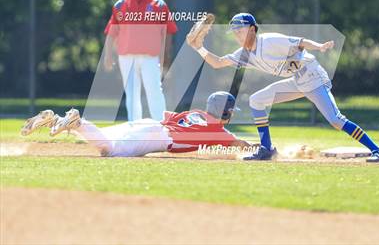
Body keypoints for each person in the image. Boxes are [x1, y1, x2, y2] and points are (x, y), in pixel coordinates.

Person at [191, 13, 379, 163]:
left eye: (240, 30)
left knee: (336, 120)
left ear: (252, 29)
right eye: (234, 32)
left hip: (311, 76)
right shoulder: (243, 53)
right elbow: (217, 62)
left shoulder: (269, 41)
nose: (237, 35)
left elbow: (300, 42)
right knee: (256, 100)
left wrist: (320, 46)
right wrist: (198, 47)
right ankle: (266, 148)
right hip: (296, 80)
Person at [20, 92, 253, 157]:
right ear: (226, 112)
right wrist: (260, 148)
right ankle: (76, 121)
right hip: (157, 137)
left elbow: (167, 117)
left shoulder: (196, 113)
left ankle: (60, 120)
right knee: (109, 150)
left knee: (103, 138)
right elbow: (240, 144)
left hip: (150, 124)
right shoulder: (217, 131)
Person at [103, 0, 178, 121]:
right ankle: (134, 128)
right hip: (126, 57)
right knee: (132, 94)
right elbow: (111, 33)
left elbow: (168, 32)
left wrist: (166, 55)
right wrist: (108, 55)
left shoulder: (159, 5)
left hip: (150, 57)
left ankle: (162, 127)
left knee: (154, 92)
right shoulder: (120, 5)